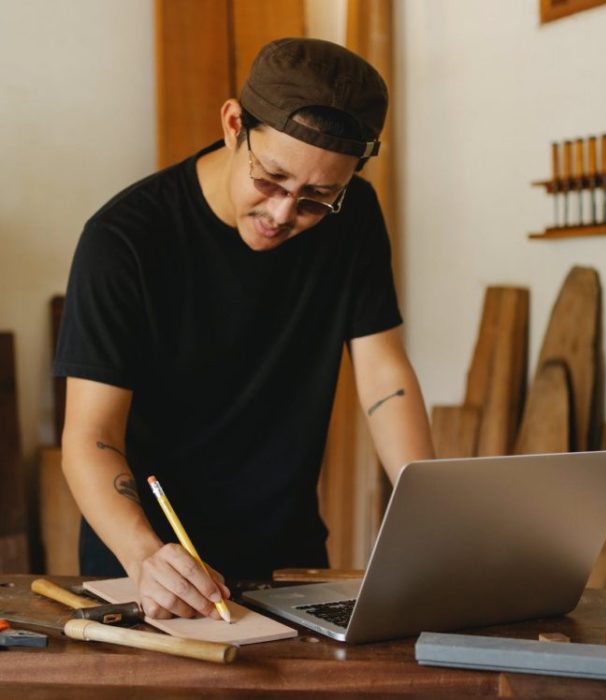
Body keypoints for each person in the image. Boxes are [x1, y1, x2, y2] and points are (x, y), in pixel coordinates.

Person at [55, 37, 435, 621]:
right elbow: (91, 435)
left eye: (316, 198)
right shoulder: (125, 241)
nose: (284, 214)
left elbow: (384, 374)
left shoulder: (354, 216)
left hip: (287, 556)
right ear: (235, 124)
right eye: (272, 179)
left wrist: (428, 509)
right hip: (148, 566)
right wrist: (144, 556)